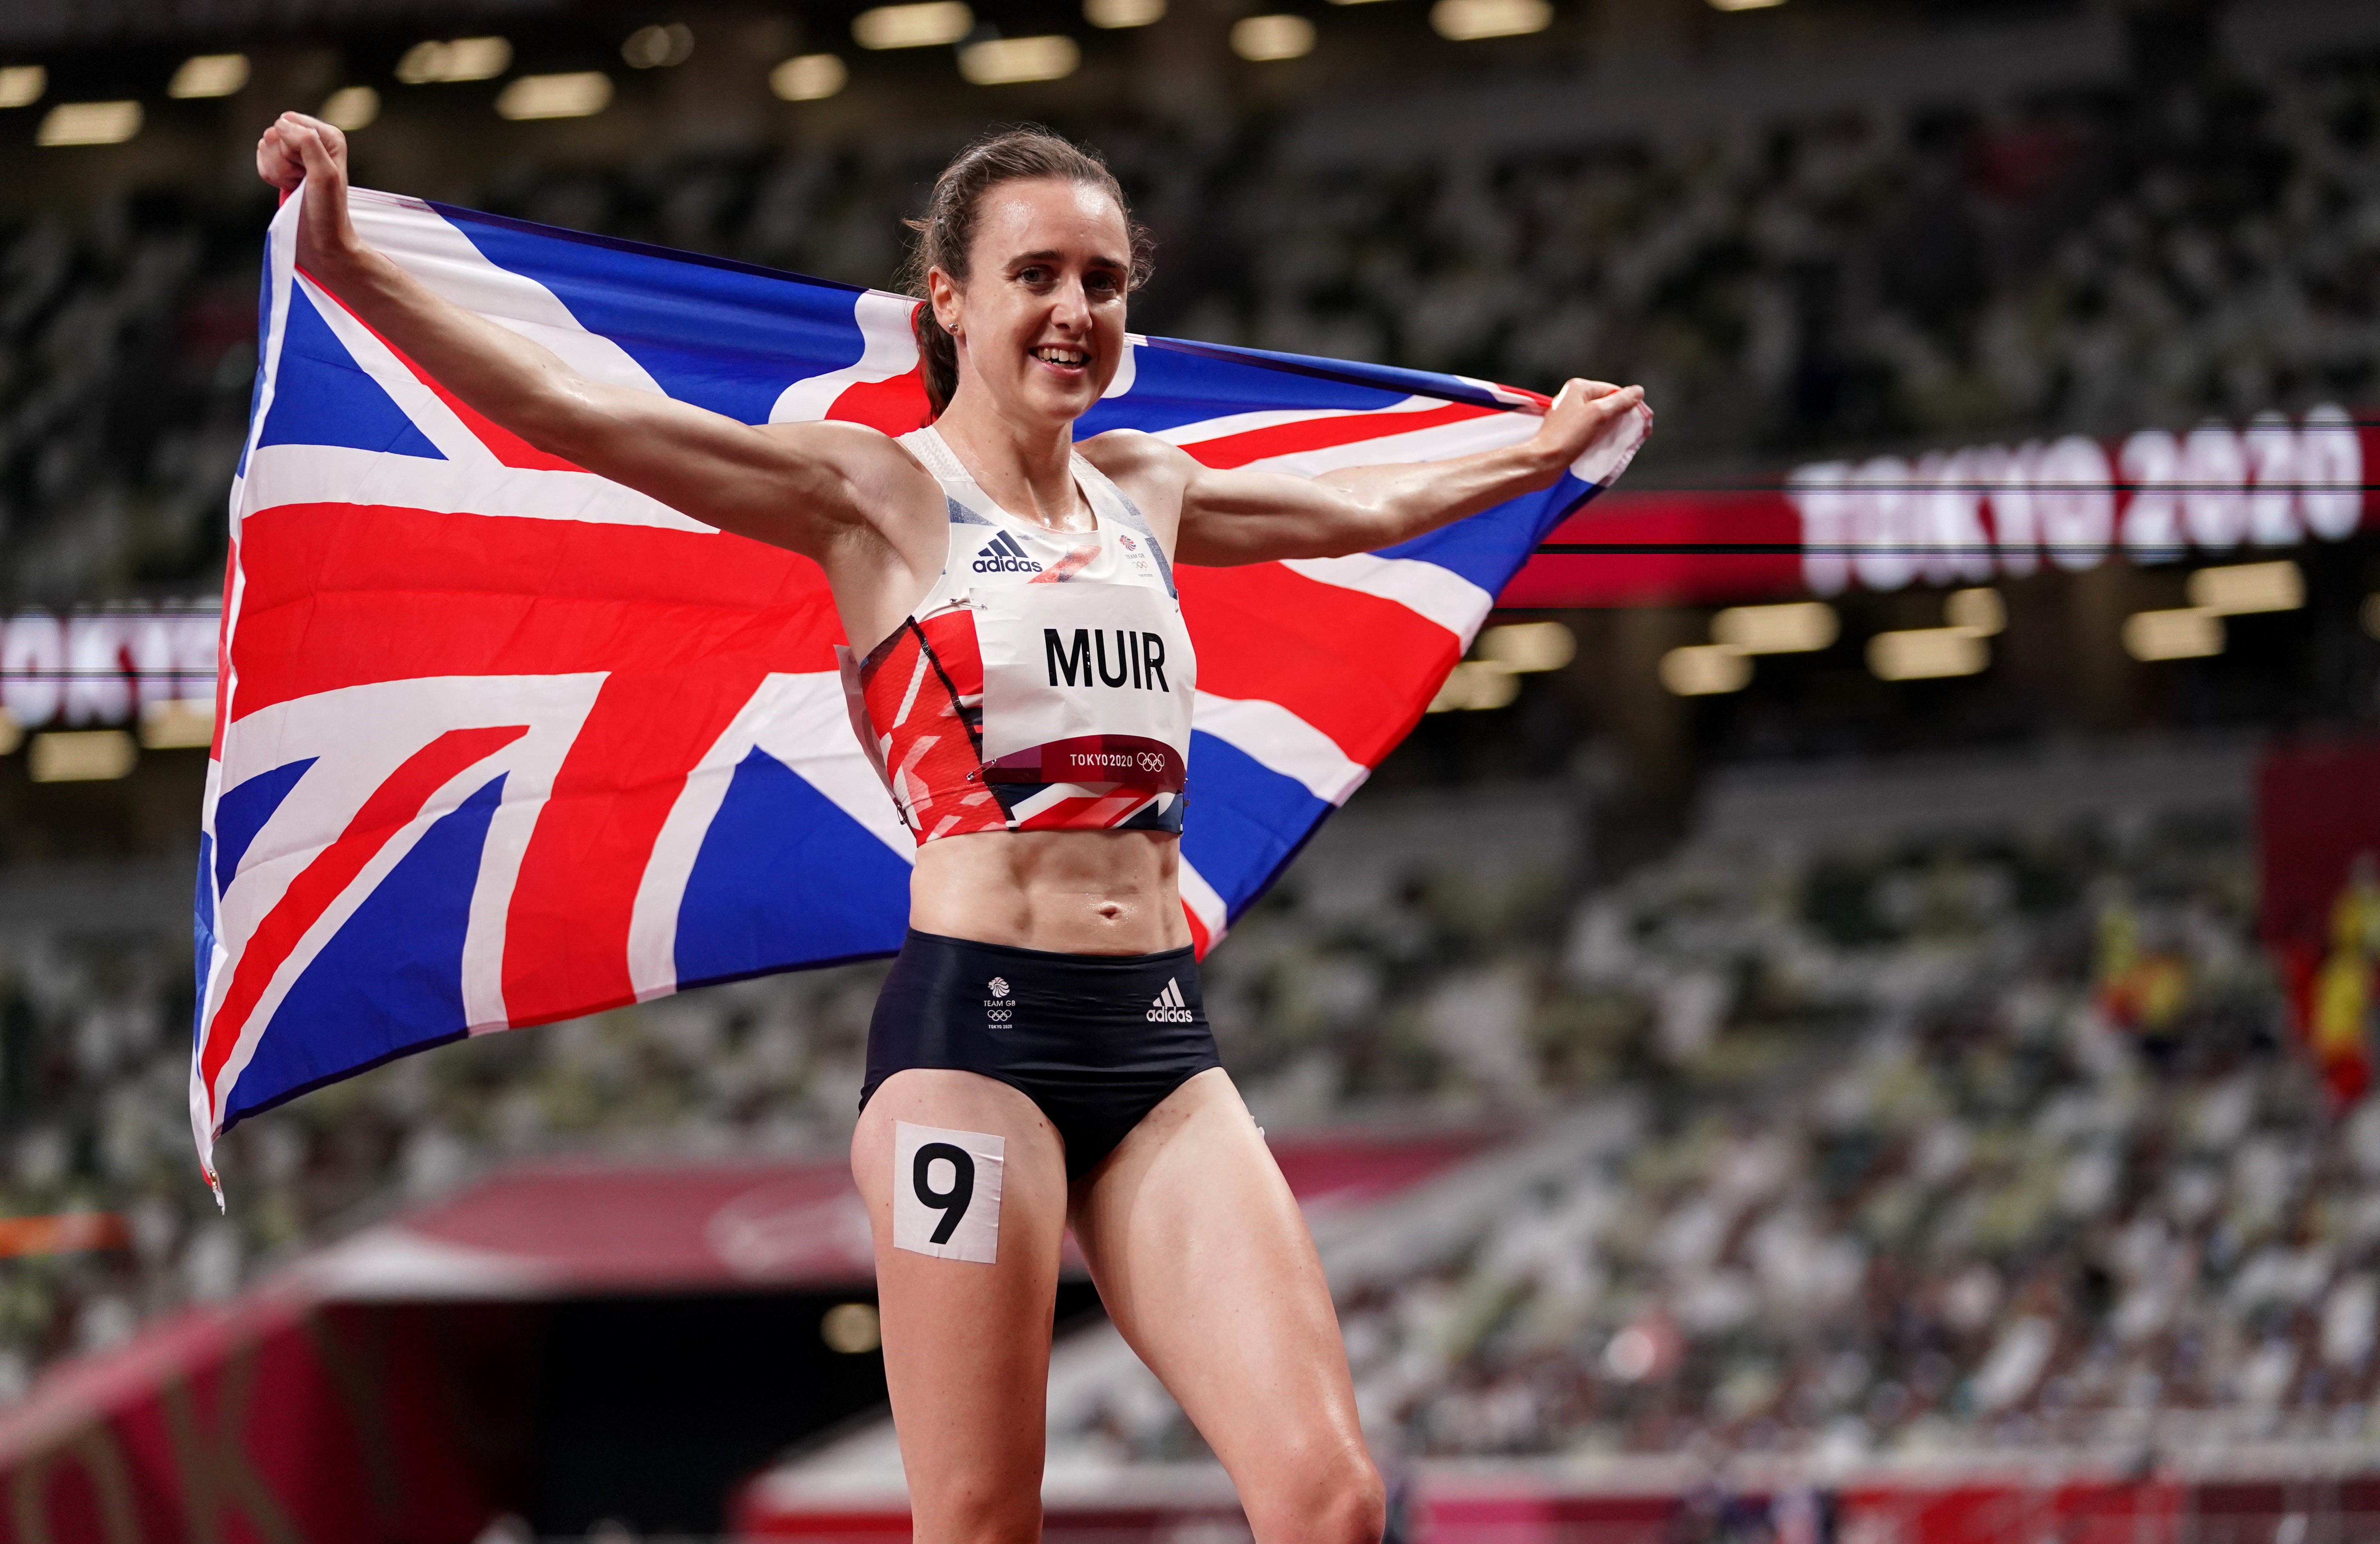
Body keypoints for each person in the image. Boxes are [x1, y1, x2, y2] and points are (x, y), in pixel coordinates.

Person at [256, 113, 1650, 1544]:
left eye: (1104, 283)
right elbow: (582, 418)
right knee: (981, 1520)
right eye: (1035, 275)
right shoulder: (876, 495)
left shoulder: (1148, 494)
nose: (1073, 311)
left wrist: (1541, 452)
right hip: (973, 1051)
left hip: (1159, 1043)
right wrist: (353, 261)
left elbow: (1362, 510)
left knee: (1331, 1499)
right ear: (950, 301)